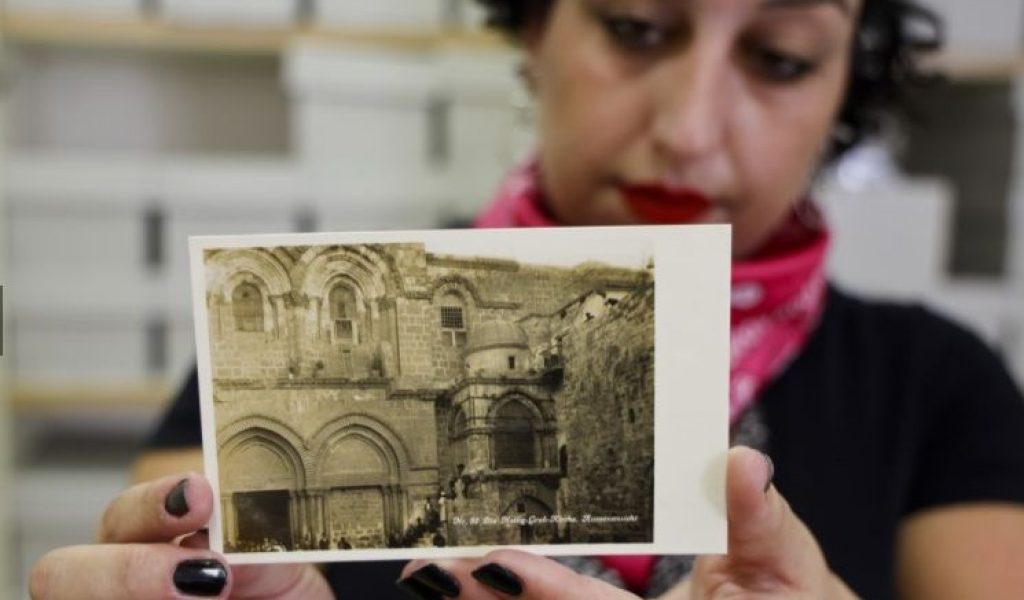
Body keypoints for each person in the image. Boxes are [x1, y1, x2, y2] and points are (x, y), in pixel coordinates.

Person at [27, 0, 1024, 599]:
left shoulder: (940, 385)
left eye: (780, 59)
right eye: (635, 27)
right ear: (534, 29)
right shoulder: (298, 343)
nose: (688, 128)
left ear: (842, 87)